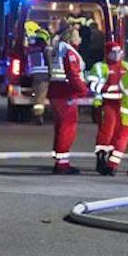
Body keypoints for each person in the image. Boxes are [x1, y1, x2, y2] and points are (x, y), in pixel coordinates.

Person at [45, 23, 90, 174]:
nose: (81, 40)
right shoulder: (69, 53)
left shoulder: (60, 50)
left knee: (61, 127)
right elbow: (73, 75)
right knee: (68, 127)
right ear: (71, 38)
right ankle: (62, 163)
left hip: (57, 92)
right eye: (78, 37)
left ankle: (59, 158)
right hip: (65, 93)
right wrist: (83, 90)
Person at [88, 42, 125, 173]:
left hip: (121, 105)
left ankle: (111, 160)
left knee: (117, 133)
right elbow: (93, 86)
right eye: (113, 52)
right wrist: (112, 89)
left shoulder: (126, 67)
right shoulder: (100, 67)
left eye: (118, 52)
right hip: (105, 104)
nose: (116, 55)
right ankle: (101, 158)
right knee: (106, 132)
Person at [24, 23, 51, 126]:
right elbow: (49, 63)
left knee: (37, 96)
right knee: (41, 97)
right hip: (44, 75)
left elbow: (28, 65)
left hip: (34, 76)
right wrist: (51, 74)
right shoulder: (46, 50)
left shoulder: (31, 51)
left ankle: (36, 112)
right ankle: (39, 115)